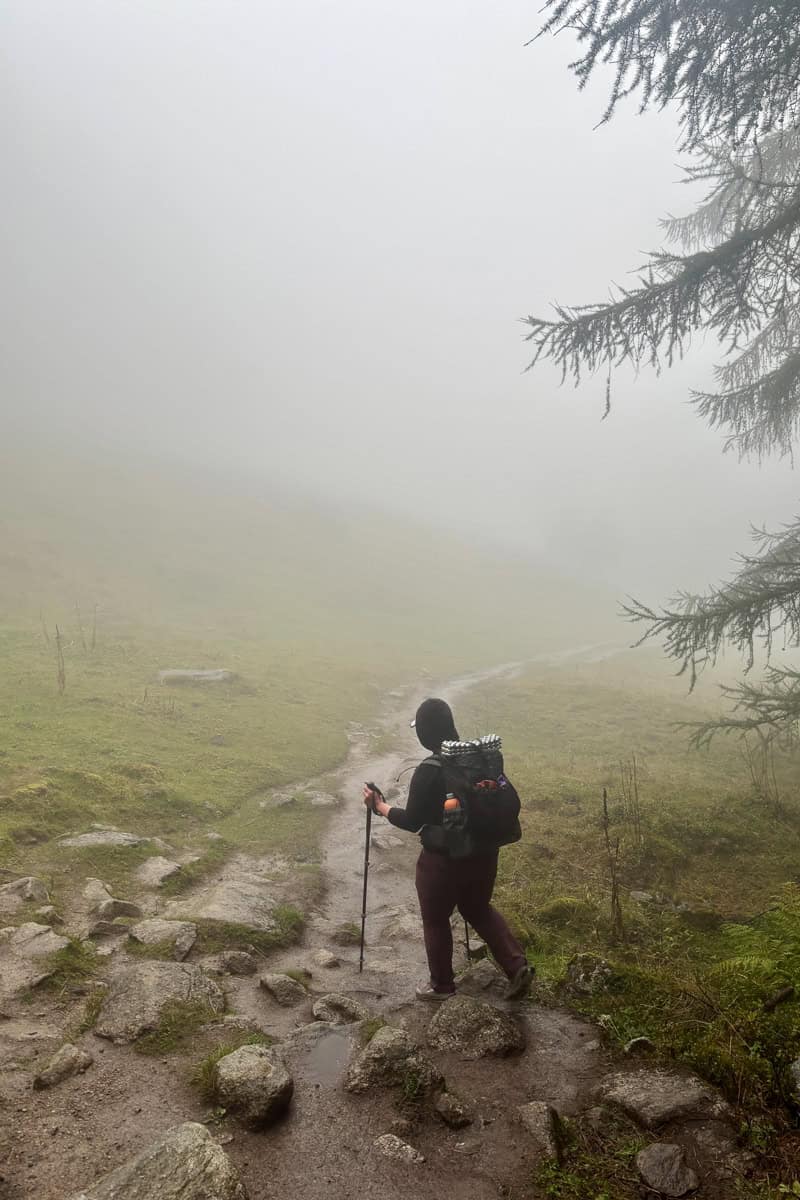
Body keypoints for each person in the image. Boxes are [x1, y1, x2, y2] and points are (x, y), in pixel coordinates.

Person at [363, 696, 533, 1002]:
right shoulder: (477, 759)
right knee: (478, 908)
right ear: (451, 725)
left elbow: (413, 820)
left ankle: (441, 986)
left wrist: (380, 806)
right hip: (484, 853)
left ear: (424, 733)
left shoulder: (429, 769)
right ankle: (516, 965)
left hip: (442, 862)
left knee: (436, 919)